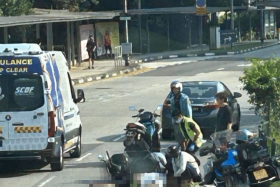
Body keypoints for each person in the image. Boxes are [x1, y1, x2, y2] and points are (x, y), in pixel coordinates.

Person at [164, 80, 192, 151]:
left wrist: (188, 120)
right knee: (179, 138)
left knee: (185, 137)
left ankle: (185, 151)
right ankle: (183, 150)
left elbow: (188, 110)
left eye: (177, 89)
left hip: (184, 119)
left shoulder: (185, 98)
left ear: (180, 89)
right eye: (174, 89)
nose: (175, 90)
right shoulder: (172, 98)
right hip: (176, 119)